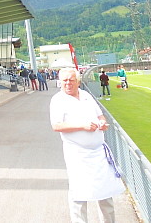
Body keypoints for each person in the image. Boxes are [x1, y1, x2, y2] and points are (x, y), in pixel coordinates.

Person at [50, 68, 124, 223]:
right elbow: (56, 126)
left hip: (98, 152)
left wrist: (102, 123)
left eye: (71, 80)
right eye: (64, 80)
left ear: (78, 81)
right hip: (77, 154)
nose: (68, 83)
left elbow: (99, 115)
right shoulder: (58, 100)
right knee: (79, 194)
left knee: (105, 192)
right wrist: (82, 126)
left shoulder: (86, 96)